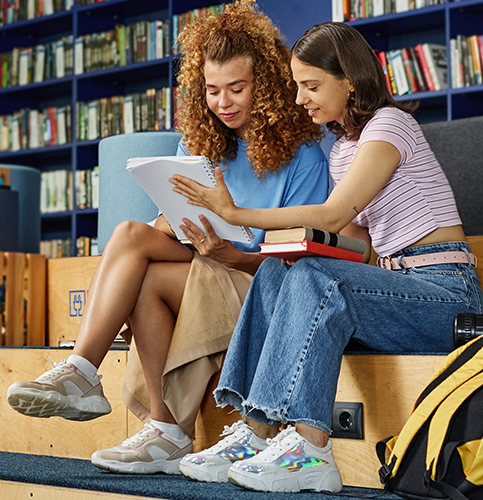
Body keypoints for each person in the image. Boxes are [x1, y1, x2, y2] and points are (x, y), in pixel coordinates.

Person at [6, 0, 329, 475]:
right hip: (205, 260)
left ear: (267, 85)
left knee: (146, 275)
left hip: (262, 284)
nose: (223, 103)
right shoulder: (199, 144)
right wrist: (176, 225)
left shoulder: (304, 158)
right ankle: (86, 374)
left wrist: (229, 254)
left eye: (237, 88)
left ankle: (158, 425)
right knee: (133, 236)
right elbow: (168, 227)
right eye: (213, 90)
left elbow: (300, 266)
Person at [170, 22, 483, 493]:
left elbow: (336, 213)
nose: (300, 99)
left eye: (311, 86)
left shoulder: (389, 125)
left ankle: (311, 449)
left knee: (318, 277)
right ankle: (257, 431)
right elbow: (353, 247)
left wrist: (234, 212)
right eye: (298, 86)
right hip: (392, 286)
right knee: (280, 268)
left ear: (351, 81)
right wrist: (289, 251)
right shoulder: (342, 150)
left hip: (447, 295)